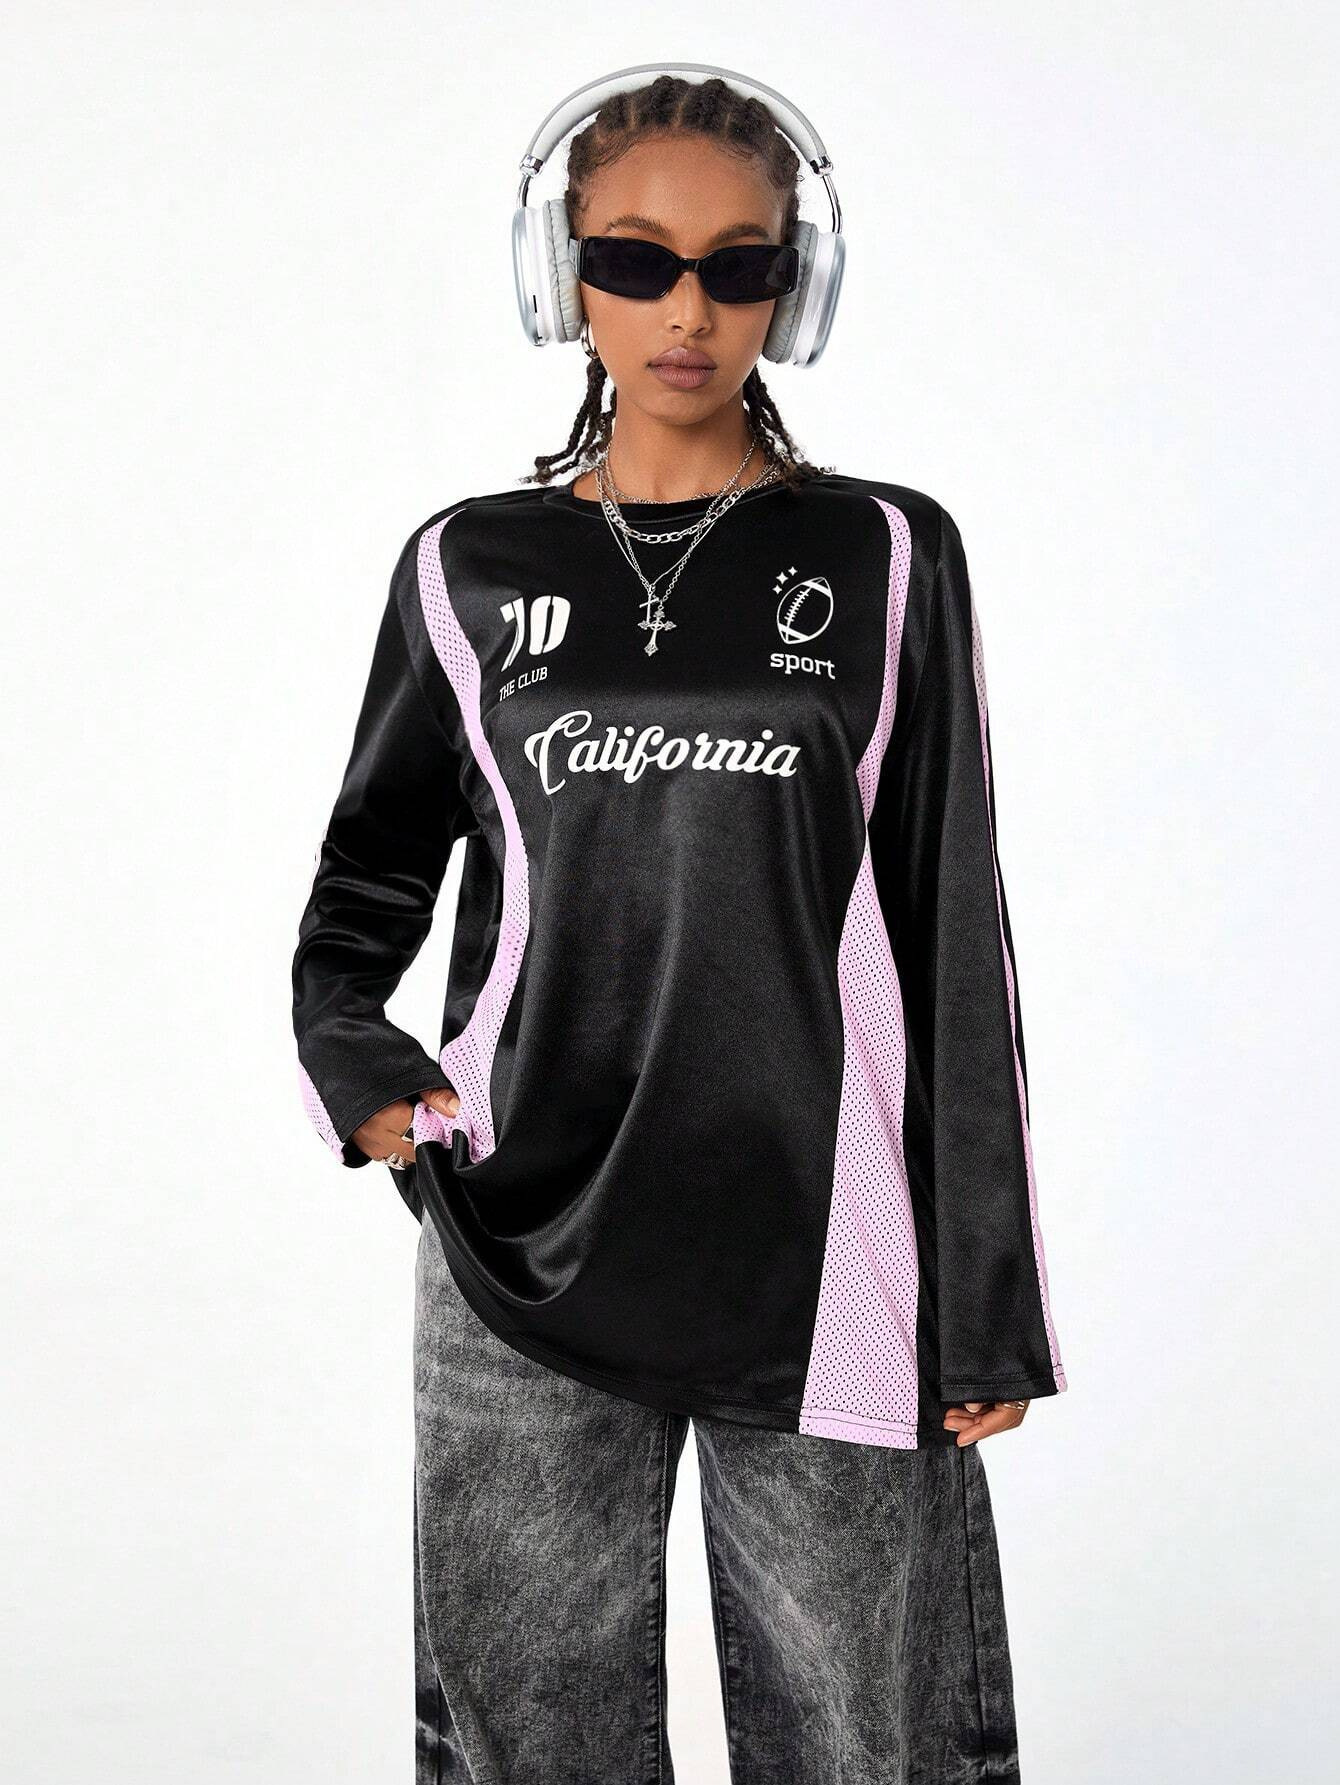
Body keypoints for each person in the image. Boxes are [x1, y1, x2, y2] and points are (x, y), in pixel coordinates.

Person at [291, 64, 1068, 1785]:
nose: (687, 311)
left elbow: (954, 927)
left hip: (829, 1248)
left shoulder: (886, 555)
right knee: (527, 1741)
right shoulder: (465, 568)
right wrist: (368, 1078)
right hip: (519, 1240)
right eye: (635, 263)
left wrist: (988, 1295)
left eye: (740, 266)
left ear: (798, 286)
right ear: (560, 274)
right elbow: (362, 892)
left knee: (866, 1739)